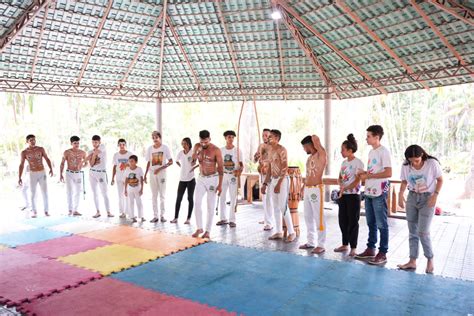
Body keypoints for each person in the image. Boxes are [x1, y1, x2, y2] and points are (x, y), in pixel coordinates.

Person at [397, 145, 443, 274]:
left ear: (422, 154)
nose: (414, 163)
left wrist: (435, 195)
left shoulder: (432, 163)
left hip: (428, 198)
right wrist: (400, 195)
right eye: (411, 160)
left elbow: (440, 180)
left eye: (416, 160)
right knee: (412, 231)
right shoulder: (406, 165)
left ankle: (430, 259)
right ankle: (412, 261)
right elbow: (404, 181)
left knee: (423, 232)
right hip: (412, 197)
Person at [356, 125, 392, 265]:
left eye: (369, 136)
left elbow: (388, 173)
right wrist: (364, 174)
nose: (366, 138)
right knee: (371, 222)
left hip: (379, 191)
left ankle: (382, 252)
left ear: (377, 137)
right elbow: (373, 172)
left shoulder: (384, 152)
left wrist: (369, 175)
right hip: (370, 191)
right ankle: (371, 248)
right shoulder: (371, 152)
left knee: (382, 223)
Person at [261, 129, 296, 242]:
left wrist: (279, 184)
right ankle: (278, 231)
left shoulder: (282, 150)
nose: (268, 138)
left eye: (270, 136)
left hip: (283, 180)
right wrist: (265, 183)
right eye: (268, 136)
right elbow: (270, 169)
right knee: (275, 207)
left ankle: (292, 232)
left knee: (283, 206)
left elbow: (285, 167)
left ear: (277, 138)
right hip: (273, 180)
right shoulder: (270, 150)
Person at [334, 134, 364, 257]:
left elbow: (357, 181)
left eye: (343, 150)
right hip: (343, 195)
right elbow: (340, 177)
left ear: (350, 150)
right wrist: (340, 184)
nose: (341, 152)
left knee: (353, 221)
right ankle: (345, 244)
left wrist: (345, 187)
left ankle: (353, 247)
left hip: (353, 196)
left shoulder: (358, 163)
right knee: (342, 221)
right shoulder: (343, 163)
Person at [191, 130, 223, 239]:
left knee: (210, 206)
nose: (203, 144)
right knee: (197, 202)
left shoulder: (216, 150)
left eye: (205, 142)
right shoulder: (197, 146)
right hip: (201, 178)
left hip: (213, 179)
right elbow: (192, 161)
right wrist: (196, 153)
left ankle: (208, 231)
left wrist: (220, 185)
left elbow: (220, 168)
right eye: (202, 142)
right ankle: (199, 228)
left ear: (209, 139)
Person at [298, 135, 327, 254]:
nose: (304, 149)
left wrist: (316, 140)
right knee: (307, 216)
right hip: (308, 189)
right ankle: (310, 242)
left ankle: (321, 244)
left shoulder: (321, 155)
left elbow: (320, 146)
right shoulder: (309, 158)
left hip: (316, 189)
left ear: (310, 145)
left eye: (305, 147)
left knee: (318, 217)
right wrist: (302, 187)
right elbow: (308, 174)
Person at [18, 134, 53, 218]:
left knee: (45, 192)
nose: (33, 141)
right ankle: (34, 211)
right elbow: (21, 165)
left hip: (42, 172)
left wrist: (51, 169)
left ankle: (46, 211)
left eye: (34, 140)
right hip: (32, 174)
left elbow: (47, 158)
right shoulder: (24, 152)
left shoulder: (41, 149)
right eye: (31, 140)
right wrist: (19, 177)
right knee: (32, 193)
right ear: (27, 142)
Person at [144, 131, 173, 223]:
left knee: (162, 195)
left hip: (162, 174)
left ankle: (162, 215)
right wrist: (145, 174)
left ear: (160, 138)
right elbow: (148, 162)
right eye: (153, 137)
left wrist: (160, 168)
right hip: (152, 173)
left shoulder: (165, 148)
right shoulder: (149, 149)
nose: (154, 139)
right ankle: (155, 216)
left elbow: (171, 161)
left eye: (156, 137)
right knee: (154, 195)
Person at [216, 130, 243, 228]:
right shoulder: (221, 150)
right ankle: (223, 218)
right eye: (229, 137)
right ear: (225, 138)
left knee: (233, 197)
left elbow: (241, 165)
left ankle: (232, 219)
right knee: (222, 196)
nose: (231, 139)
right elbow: (218, 164)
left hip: (233, 175)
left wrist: (238, 172)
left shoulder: (237, 150)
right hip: (223, 175)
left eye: (232, 137)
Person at [60, 136, 87, 216]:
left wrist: (81, 166)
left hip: (78, 174)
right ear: (71, 143)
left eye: (78, 143)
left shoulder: (82, 152)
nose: (77, 144)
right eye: (75, 143)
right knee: (69, 191)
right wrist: (60, 174)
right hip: (69, 173)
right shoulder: (67, 152)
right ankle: (70, 209)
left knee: (78, 192)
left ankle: (75, 210)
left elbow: (86, 164)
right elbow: (62, 163)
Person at [87, 135, 112, 218]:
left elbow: (95, 154)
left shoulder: (102, 147)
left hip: (101, 173)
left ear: (99, 142)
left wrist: (91, 156)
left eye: (96, 142)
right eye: (93, 142)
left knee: (104, 193)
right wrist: (90, 157)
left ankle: (108, 212)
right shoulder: (90, 151)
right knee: (95, 193)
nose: (94, 144)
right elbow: (91, 164)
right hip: (92, 173)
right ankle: (97, 211)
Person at [171, 137, 196, 224]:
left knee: (190, 198)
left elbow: (197, 162)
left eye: (184, 143)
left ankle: (188, 218)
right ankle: (175, 218)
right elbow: (176, 161)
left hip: (191, 179)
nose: (183, 145)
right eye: (182, 144)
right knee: (178, 199)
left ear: (188, 144)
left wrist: (193, 166)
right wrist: (181, 166)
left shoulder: (193, 152)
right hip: (182, 179)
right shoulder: (181, 153)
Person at [254, 128, 274, 230]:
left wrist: (265, 162)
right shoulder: (260, 146)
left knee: (270, 198)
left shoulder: (273, 147)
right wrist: (256, 157)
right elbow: (255, 160)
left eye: (266, 135)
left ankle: (269, 222)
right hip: (262, 173)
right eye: (263, 135)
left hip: (270, 174)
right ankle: (267, 218)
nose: (264, 137)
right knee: (265, 198)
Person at [111, 139, 133, 218]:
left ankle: (129, 212)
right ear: (118, 145)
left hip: (127, 177)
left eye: (123, 144)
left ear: (125, 145)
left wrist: (126, 165)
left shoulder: (130, 154)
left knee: (128, 194)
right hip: (119, 177)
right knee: (120, 195)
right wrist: (112, 178)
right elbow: (114, 166)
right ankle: (122, 212)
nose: (122, 146)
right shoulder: (116, 155)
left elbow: (133, 165)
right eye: (120, 144)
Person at [124, 155, 145, 223]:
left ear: (136, 162)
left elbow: (142, 180)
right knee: (131, 202)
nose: (130, 162)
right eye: (129, 161)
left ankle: (141, 216)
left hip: (137, 188)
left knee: (139, 202)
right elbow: (126, 179)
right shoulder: (127, 169)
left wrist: (142, 189)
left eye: (132, 161)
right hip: (130, 189)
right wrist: (125, 190)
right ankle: (132, 217)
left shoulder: (139, 169)